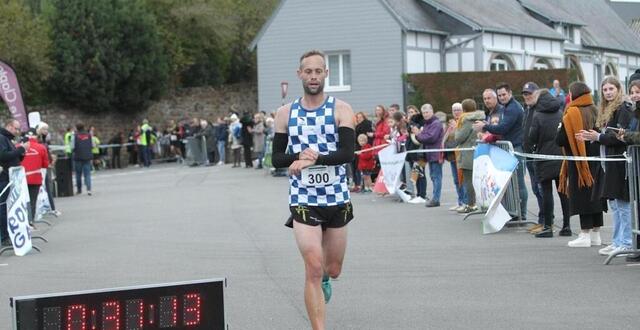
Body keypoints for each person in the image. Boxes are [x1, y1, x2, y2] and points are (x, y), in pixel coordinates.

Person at [271, 50, 355, 330]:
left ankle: (327, 278)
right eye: (308, 71)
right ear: (300, 75)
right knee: (313, 268)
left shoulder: (341, 109)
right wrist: (296, 159)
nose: (314, 76)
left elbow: (346, 153)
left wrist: (316, 158)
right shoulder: (286, 113)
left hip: (337, 198)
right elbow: (276, 158)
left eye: (318, 71)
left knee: (332, 269)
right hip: (303, 199)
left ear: (326, 74)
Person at [576, 76, 634, 255]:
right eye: (605, 89)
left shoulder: (623, 108)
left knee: (623, 205)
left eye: (611, 89)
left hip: (619, 162)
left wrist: (598, 137)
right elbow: (604, 134)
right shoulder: (605, 109)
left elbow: (621, 137)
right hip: (607, 162)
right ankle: (618, 241)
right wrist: (592, 137)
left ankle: (626, 242)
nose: (608, 92)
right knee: (615, 205)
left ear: (618, 89)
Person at [556, 82, 605, 247]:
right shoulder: (595, 109)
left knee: (583, 196)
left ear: (573, 94)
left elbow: (560, 140)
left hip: (579, 162)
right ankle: (596, 235)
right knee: (596, 196)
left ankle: (584, 234)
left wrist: (560, 128)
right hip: (596, 159)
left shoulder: (571, 112)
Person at [473, 83, 526, 220]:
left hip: (515, 148)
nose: (502, 97)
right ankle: (514, 213)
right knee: (508, 183)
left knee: (518, 182)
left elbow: (502, 128)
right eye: (500, 95)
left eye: (504, 94)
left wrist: (485, 126)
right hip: (509, 147)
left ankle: (522, 214)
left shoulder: (512, 108)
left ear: (510, 93)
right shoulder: (507, 108)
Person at [526, 89, 572, 237]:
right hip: (560, 157)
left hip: (544, 157)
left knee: (546, 193)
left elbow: (532, 137)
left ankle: (548, 227)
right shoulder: (560, 113)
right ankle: (566, 226)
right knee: (563, 192)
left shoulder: (538, 115)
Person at [0, 119, 29, 246]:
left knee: (9, 207)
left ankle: (10, 233)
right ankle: (5, 236)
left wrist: (21, 152)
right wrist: (21, 149)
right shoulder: (2, 137)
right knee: (3, 207)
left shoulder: (8, 139)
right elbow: (3, 156)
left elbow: (14, 157)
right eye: (16, 129)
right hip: (5, 178)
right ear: (9, 126)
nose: (17, 132)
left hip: (11, 177)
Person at [521, 82, 545, 233]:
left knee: (542, 189)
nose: (527, 96)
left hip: (539, 154)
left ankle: (546, 220)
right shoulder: (527, 109)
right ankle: (541, 219)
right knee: (536, 189)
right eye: (525, 94)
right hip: (528, 154)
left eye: (530, 93)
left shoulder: (540, 109)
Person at [455, 99, 485, 214]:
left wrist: (456, 131)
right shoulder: (481, 117)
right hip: (479, 152)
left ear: (464, 109)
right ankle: (481, 203)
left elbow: (459, 137)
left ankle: (471, 204)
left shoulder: (466, 120)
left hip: (468, 153)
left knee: (469, 180)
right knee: (479, 180)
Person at [414, 103, 444, 207]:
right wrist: (419, 135)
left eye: (427, 112)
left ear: (432, 111)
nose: (425, 114)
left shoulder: (435, 123)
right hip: (430, 154)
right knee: (433, 176)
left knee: (436, 177)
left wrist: (418, 134)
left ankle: (436, 199)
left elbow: (430, 138)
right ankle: (435, 198)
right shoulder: (427, 124)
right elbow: (423, 138)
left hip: (435, 154)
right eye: (423, 113)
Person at [21, 129, 49, 227]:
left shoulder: (17, 147)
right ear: (36, 137)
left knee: (22, 202)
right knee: (32, 201)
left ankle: (22, 223)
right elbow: (45, 164)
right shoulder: (41, 147)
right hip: (35, 178)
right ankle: (30, 223)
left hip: (21, 180)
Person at [443, 102, 466, 211]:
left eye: (458, 109)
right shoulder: (451, 124)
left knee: (463, 180)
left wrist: (456, 128)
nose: (456, 112)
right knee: (456, 180)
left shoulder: (464, 121)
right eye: (454, 110)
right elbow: (445, 139)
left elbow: (462, 137)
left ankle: (465, 202)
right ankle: (460, 201)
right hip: (452, 155)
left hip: (461, 156)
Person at [71, 123, 94, 195]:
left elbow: (72, 146)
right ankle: (89, 189)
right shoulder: (89, 135)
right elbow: (93, 145)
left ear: (77, 128)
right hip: (87, 156)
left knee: (78, 174)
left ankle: (79, 189)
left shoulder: (75, 135)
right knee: (87, 174)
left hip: (78, 156)